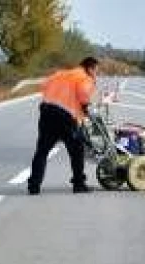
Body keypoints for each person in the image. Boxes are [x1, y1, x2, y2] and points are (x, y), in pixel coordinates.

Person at [27, 57, 99, 195]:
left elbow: (44, 86)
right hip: (65, 116)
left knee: (42, 151)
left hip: (46, 111)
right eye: (96, 71)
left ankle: (34, 186)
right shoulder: (84, 77)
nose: (96, 74)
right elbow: (84, 95)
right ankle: (79, 184)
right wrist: (86, 108)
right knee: (77, 150)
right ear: (90, 68)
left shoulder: (60, 74)